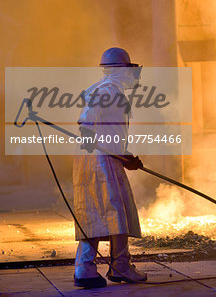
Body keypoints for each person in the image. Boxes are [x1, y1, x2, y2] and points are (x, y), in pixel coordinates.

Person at [73, 47, 147, 288]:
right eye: (128, 68)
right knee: (114, 212)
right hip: (102, 161)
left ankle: (89, 268)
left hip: (98, 158)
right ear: (120, 70)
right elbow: (90, 122)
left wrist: (126, 157)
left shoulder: (104, 88)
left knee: (98, 212)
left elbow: (105, 130)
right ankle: (118, 266)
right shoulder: (108, 91)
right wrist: (124, 156)